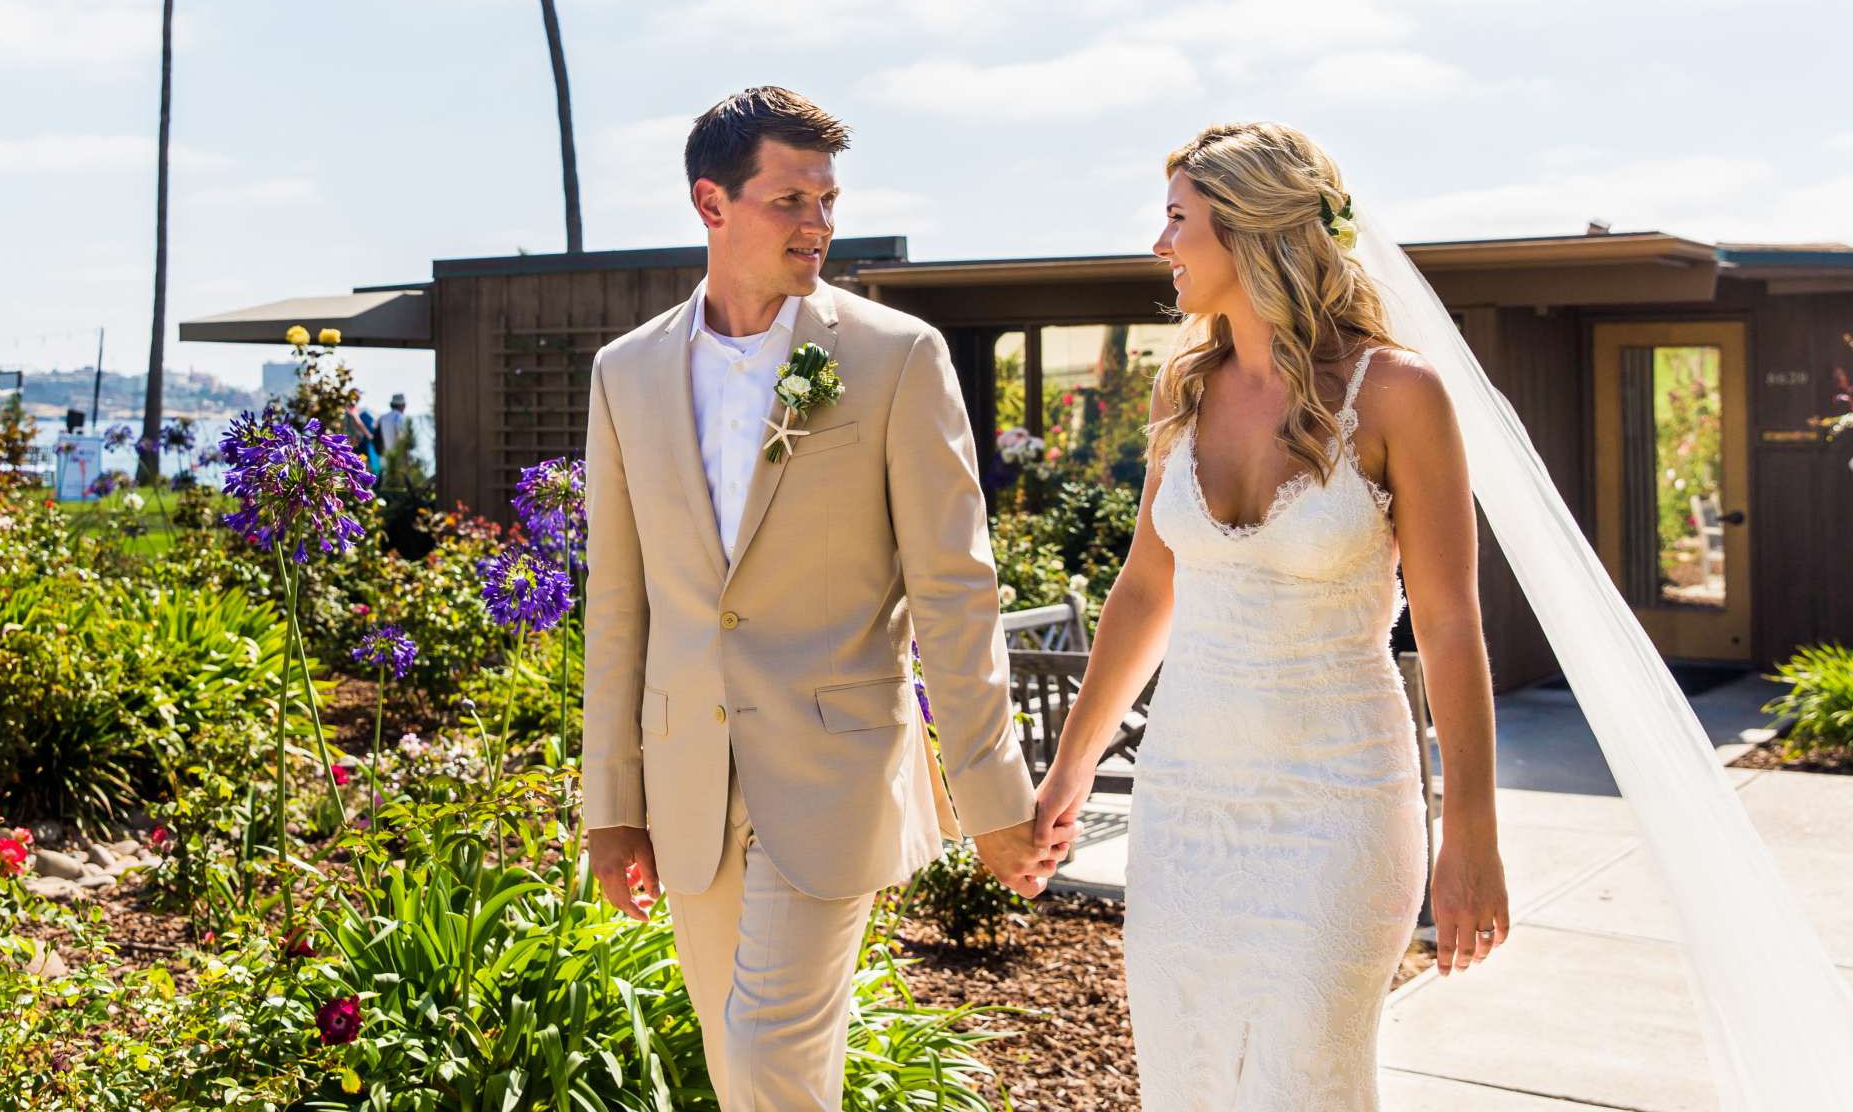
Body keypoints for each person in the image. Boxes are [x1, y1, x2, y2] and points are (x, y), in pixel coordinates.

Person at [581, 86, 1073, 1110]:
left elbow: (954, 589)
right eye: (790, 201)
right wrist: (612, 809)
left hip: (834, 774)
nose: (818, 226)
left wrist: (994, 800)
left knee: (767, 1057)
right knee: (742, 1067)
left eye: (828, 200)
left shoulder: (895, 357)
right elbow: (619, 607)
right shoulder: (625, 373)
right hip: (688, 783)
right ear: (711, 204)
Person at [1035, 122, 1509, 1109]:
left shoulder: (1400, 395)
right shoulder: (1185, 388)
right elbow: (1144, 589)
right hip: (1187, 806)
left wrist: (1470, 825)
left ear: (1250, 232)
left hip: (1339, 807)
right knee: (1190, 1074)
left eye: (1178, 220)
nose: (1160, 244)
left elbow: (1453, 622)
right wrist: (1071, 764)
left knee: (1306, 1078)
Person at [376, 393, 410, 459]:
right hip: (398, 457)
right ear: (402, 405)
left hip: (384, 457)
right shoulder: (400, 417)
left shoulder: (382, 418)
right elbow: (402, 438)